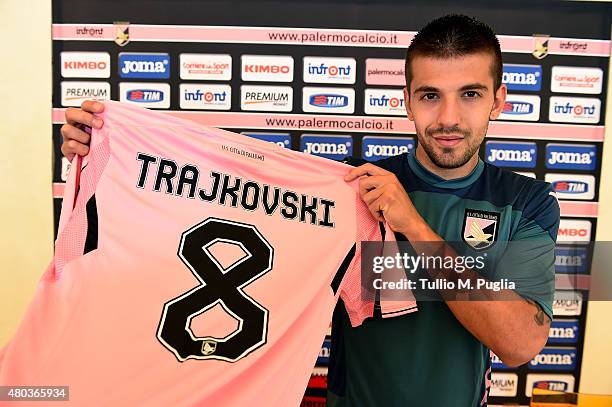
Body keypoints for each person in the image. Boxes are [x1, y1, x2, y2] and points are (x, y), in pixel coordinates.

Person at [60, 14, 559, 407]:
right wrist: (109, 158)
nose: (448, 118)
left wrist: (413, 226)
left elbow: (519, 344)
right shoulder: (350, 193)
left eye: (469, 95)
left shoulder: (526, 202)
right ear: (406, 100)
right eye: (430, 95)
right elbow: (204, 212)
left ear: (499, 99)